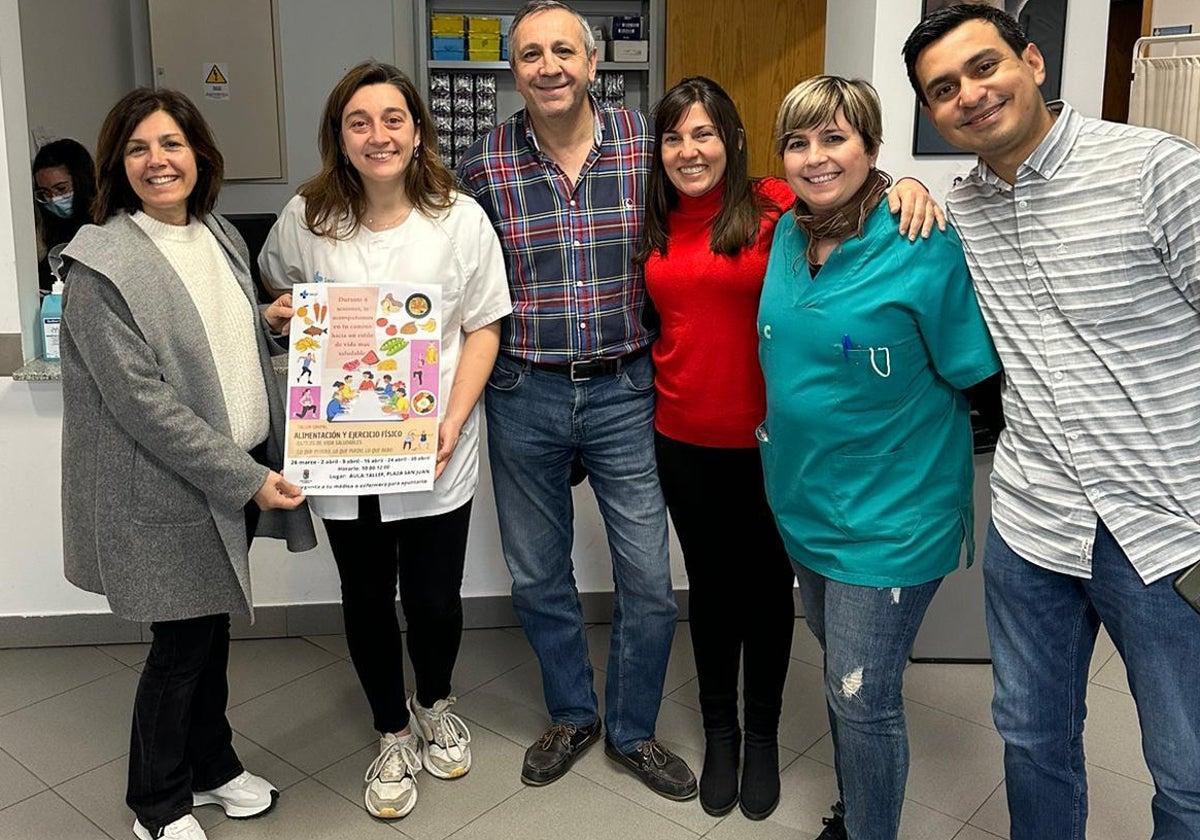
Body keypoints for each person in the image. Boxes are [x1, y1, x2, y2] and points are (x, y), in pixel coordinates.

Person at [904, 5, 1200, 837]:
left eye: (985, 67)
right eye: (944, 89)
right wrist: (906, 184)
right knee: (1033, 741)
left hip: (1170, 531)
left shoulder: (1155, 170)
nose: (971, 94)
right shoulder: (962, 215)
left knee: (1189, 775)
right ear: (932, 114)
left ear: (1033, 61)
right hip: (1033, 528)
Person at [636, 76, 943, 821]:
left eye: (703, 133)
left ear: (733, 140)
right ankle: (722, 736)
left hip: (774, 445)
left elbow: (852, 198)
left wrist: (909, 183)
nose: (689, 150)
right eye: (674, 137)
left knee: (769, 591)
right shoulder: (653, 222)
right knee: (710, 590)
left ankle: (765, 736)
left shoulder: (777, 205)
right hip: (682, 436)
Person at [58, 88, 316, 840]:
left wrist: (265, 322)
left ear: (199, 155)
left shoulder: (216, 235)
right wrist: (249, 480)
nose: (156, 161)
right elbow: (145, 405)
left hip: (223, 477)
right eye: (138, 148)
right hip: (167, 488)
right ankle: (157, 804)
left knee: (210, 633)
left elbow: (215, 344)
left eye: (170, 144)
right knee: (179, 649)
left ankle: (213, 766)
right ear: (118, 165)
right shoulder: (100, 267)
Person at [258, 60, 511, 822]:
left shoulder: (458, 217)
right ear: (339, 134)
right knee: (366, 598)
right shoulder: (307, 216)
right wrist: (280, 315)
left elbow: (485, 325)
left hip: (435, 446)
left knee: (435, 599)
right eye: (359, 122)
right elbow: (277, 289)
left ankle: (434, 702)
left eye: (392, 119)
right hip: (346, 458)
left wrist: (452, 418)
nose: (378, 135)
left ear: (417, 129)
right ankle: (391, 731)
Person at [456, 0, 696, 801]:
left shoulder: (645, 144)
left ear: (594, 64)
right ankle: (571, 712)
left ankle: (632, 729)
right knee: (537, 574)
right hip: (524, 389)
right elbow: (435, 258)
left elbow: (728, 190)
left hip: (628, 385)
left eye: (565, 50)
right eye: (531, 55)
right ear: (513, 71)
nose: (549, 66)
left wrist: (891, 182)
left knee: (648, 579)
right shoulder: (484, 162)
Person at [758, 76, 1001, 840]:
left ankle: (870, 830)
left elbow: (978, 378)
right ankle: (857, 806)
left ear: (870, 146)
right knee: (843, 677)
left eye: (835, 139)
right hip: (804, 505)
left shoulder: (921, 242)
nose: (815, 157)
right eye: (798, 142)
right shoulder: (787, 236)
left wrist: (913, 190)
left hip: (892, 515)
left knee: (863, 693)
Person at [32, 138, 96, 293]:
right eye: (45, 193)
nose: (53, 199)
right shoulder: (45, 227)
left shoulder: (107, 223)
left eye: (61, 189)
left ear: (82, 181)